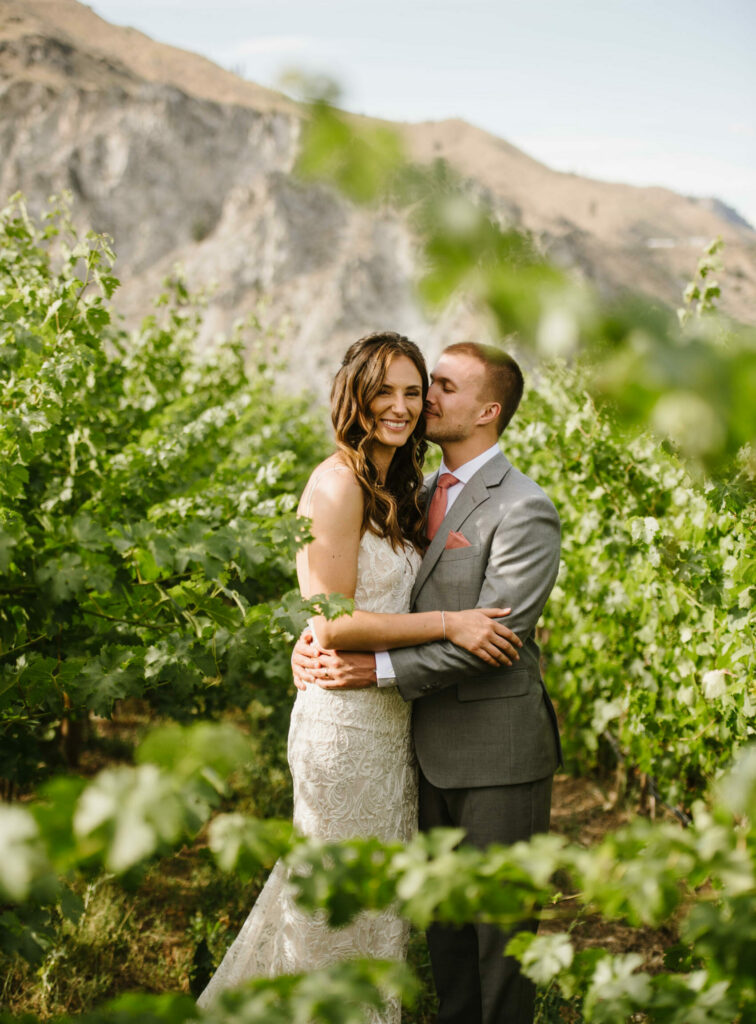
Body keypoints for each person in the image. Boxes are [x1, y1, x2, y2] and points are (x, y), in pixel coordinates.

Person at [197, 333, 522, 1021]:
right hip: (344, 726)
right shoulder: (338, 482)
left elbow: (346, 604)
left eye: (414, 391)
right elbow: (335, 624)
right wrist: (448, 624)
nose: (403, 407)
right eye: (386, 392)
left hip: (391, 725)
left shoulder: (397, 488)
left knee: (373, 913)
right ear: (356, 395)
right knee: (332, 907)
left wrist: (318, 633)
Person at [293, 341, 562, 1024]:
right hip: (410, 750)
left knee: (500, 945)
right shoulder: (400, 494)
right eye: (417, 387)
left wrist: (374, 669)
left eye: (439, 387)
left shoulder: (524, 507)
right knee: (443, 941)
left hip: (495, 755)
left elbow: (492, 642)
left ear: (488, 410)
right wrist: (307, 644)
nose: (421, 402)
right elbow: (348, 599)